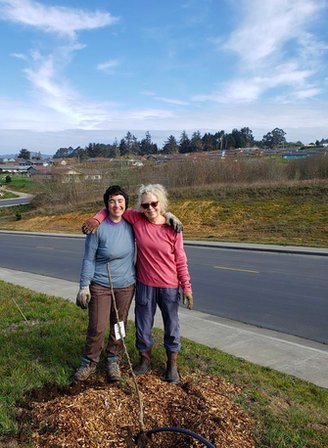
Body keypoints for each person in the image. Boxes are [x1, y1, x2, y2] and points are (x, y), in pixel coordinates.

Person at [82, 184, 193, 384]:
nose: (149, 208)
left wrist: (186, 286)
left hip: (156, 285)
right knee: (125, 326)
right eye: (145, 205)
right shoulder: (135, 220)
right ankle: (131, 359)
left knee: (160, 325)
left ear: (161, 203)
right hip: (135, 284)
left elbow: (181, 259)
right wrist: (97, 218)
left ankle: (166, 363)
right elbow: (112, 207)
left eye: (154, 204)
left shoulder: (169, 227)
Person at [74, 185, 136, 383]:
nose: (116, 205)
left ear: (126, 203)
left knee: (119, 325)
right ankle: (89, 362)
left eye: (120, 200)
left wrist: (170, 217)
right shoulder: (97, 227)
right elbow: (88, 259)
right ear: (106, 204)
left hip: (126, 285)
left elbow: (153, 214)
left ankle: (113, 359)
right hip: (100, 284)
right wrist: (84, 286)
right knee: (97, 326)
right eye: (111, 201)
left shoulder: (131, 223)